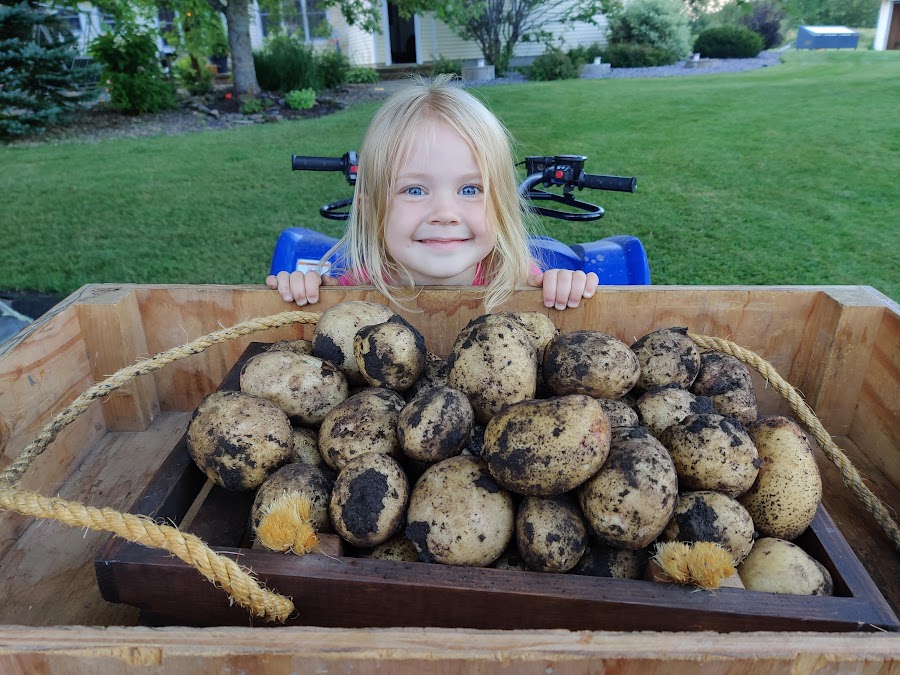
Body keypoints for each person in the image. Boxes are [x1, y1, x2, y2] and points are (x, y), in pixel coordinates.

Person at [267, 75, 598, 312]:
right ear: (369, 210)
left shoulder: (514, 279)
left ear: (503, 206)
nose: (444, 212)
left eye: (470, 189)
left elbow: (555, 296)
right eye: (414, 189)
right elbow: (321, 307)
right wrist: (307, 289)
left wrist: (562, 285)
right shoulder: (362, 285)